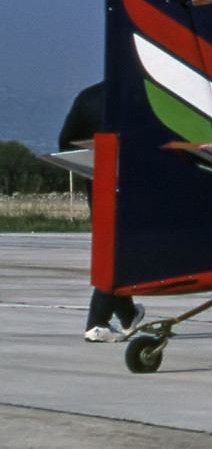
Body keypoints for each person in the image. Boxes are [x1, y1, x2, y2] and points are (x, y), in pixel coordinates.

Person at [60, 82, 144, 342]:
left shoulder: (87, 98)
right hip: (131, 185)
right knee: (120, 253)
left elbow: (65, 143)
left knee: (111, 247)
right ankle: (97, 322)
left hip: (97, 184)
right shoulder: (137, 94)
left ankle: (128, 314)